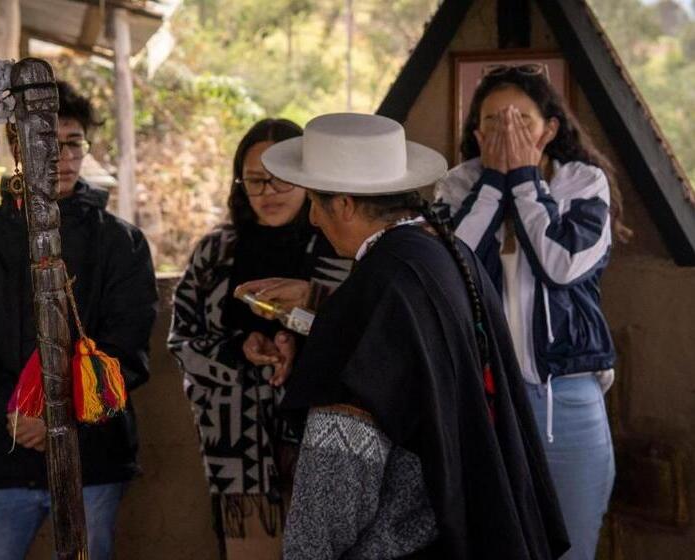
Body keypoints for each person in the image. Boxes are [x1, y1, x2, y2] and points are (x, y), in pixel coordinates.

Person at [257, 112, 569, 559]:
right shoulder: (445, 252)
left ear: (343, 204)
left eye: (316, 203)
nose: (312, 219)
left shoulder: (379, 285)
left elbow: (336, 481)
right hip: (464, 530)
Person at [0, 81, 158, 560]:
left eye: (74, 142)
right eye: (46, 141)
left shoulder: (121, 243)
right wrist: (16, 412)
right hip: (1, 454)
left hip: (93, 458)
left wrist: (60, 413)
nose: (63, 156)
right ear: (16, 146)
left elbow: (127, 348)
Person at [436, 65, 625, 560]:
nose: (507, 131)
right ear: (477, 134)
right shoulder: (457, 187)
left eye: (521, 120)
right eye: (494, 122)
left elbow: (562, 266)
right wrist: (494, 188)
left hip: (568, 397)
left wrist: (523, 183)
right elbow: (452, 269)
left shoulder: (583, 183)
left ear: (550, 129)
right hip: (485, 396)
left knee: (572, 548)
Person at [167, 118, 351, 559]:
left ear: (309, 179)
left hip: (326, 440)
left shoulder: (342, 248)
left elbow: (365, 330)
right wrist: (239, 350)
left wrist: (299, 343)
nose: (268, 193)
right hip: (237, 446)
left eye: (281, 180)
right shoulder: (216, 251)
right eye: (255, 181)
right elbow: (183, 341)